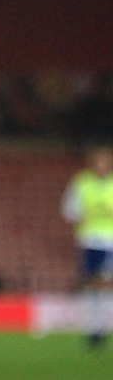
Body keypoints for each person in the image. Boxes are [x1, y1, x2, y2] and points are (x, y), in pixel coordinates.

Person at [61, 145, 113, 349]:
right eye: (98, 161)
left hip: (109, 241)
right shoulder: (82, 182)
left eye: (105, 161)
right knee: (90, 285)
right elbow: (68, 210)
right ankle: (92, 328)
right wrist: (82, 214)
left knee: (105, 284)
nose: (101, 165)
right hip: (88, 240)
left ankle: (103, 328)